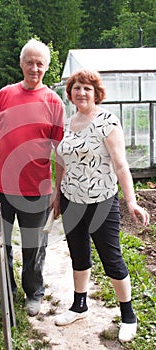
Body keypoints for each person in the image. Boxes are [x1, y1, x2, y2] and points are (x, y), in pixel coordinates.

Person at [0, 38, 64, 316]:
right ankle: (5, 295)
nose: (34, 68)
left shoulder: (53, 101)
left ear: (46, 67)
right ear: (21, 64)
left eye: (40, 63)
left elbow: (60, 149)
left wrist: (60, 188)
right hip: (0, 188)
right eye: (29, 62)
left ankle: (34, 293)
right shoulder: (5, 95)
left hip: (36, 188)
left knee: (34, 246)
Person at [54, 69, 150, 342]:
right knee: (78, 254)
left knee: (112, 258)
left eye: (87, 88)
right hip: (72, 200)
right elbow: (61, 161)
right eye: (76, 88)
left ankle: (128, 315)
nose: (81, 92)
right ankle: (79, 305)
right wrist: (57, 194)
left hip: (101, 201)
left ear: (96, 93)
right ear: (70, 93)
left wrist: (131, 201)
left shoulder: (107, 121)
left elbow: (121, 165)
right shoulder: (68, 123)